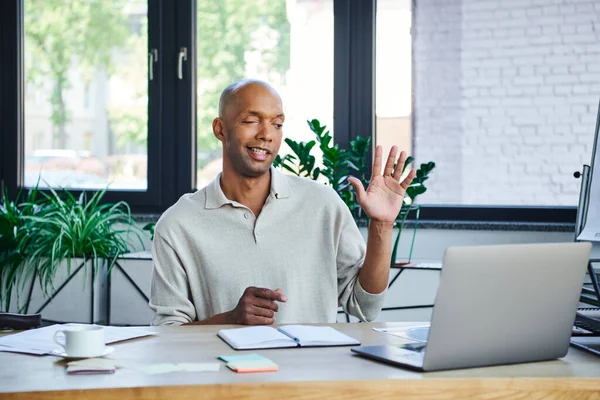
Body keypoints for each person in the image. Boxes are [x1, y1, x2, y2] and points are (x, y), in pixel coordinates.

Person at [149, 79, 415, 326]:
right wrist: (231, 319)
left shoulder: (322, 204)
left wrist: (381, 225)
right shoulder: (178, 224)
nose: (267, 134)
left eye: (277, 124)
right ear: (220, 128)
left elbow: (365, 306)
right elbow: (168, 333)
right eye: (251, 120)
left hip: (312, 374)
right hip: (226, 376)